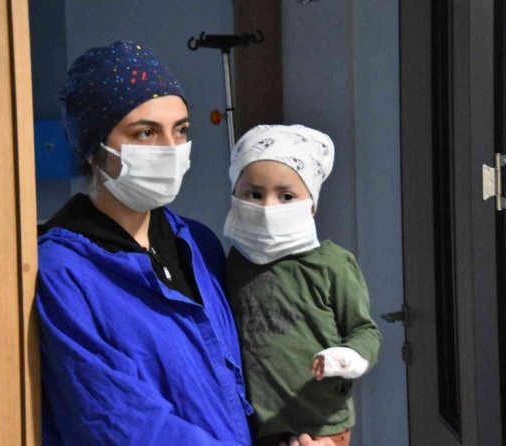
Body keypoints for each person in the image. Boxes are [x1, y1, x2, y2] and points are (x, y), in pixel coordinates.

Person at [35, 40, 254, 445]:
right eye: (146, 133)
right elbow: (116, 422)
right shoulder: (62, 272)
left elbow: (237, 386)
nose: (171, 149)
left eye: (181, 130)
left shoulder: (197, 244)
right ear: (95, 149)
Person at [223, 125, 382, 446]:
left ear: (311, 204)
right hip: (254, 428)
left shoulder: (332, 265)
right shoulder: (233, 264)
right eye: (254, 194)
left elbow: (365, 331)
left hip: (321, 427)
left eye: (286, 196)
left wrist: (348, 355)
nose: (268, 207)